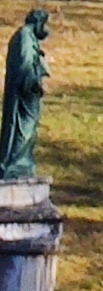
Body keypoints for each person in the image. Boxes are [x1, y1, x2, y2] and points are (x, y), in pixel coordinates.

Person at [0, 9, 45, 184]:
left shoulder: (26, 36)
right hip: (25, 94)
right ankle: (17, 163)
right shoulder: (25, 36)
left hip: (26, 93)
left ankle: (21, 160)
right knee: (23, 127)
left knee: (28, 128)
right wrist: (32, 83)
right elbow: (25, 63)